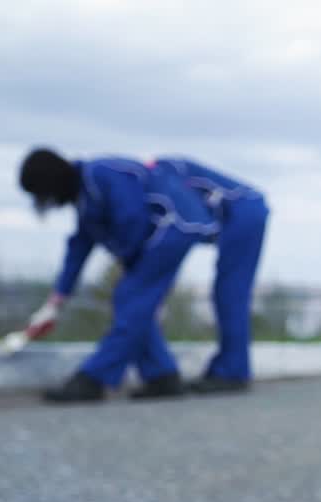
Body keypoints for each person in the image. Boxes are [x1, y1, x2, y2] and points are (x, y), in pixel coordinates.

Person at [14, 149, 269, 403]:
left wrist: (137, 277)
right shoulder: (86, 196)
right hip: (186, 226)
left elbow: (132, 218)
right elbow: (79, 246)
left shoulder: (100, 173)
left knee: (227, 293)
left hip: (227, 216)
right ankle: (162, 376)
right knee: (131, 299)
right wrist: (56, 301)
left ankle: (93, 379)